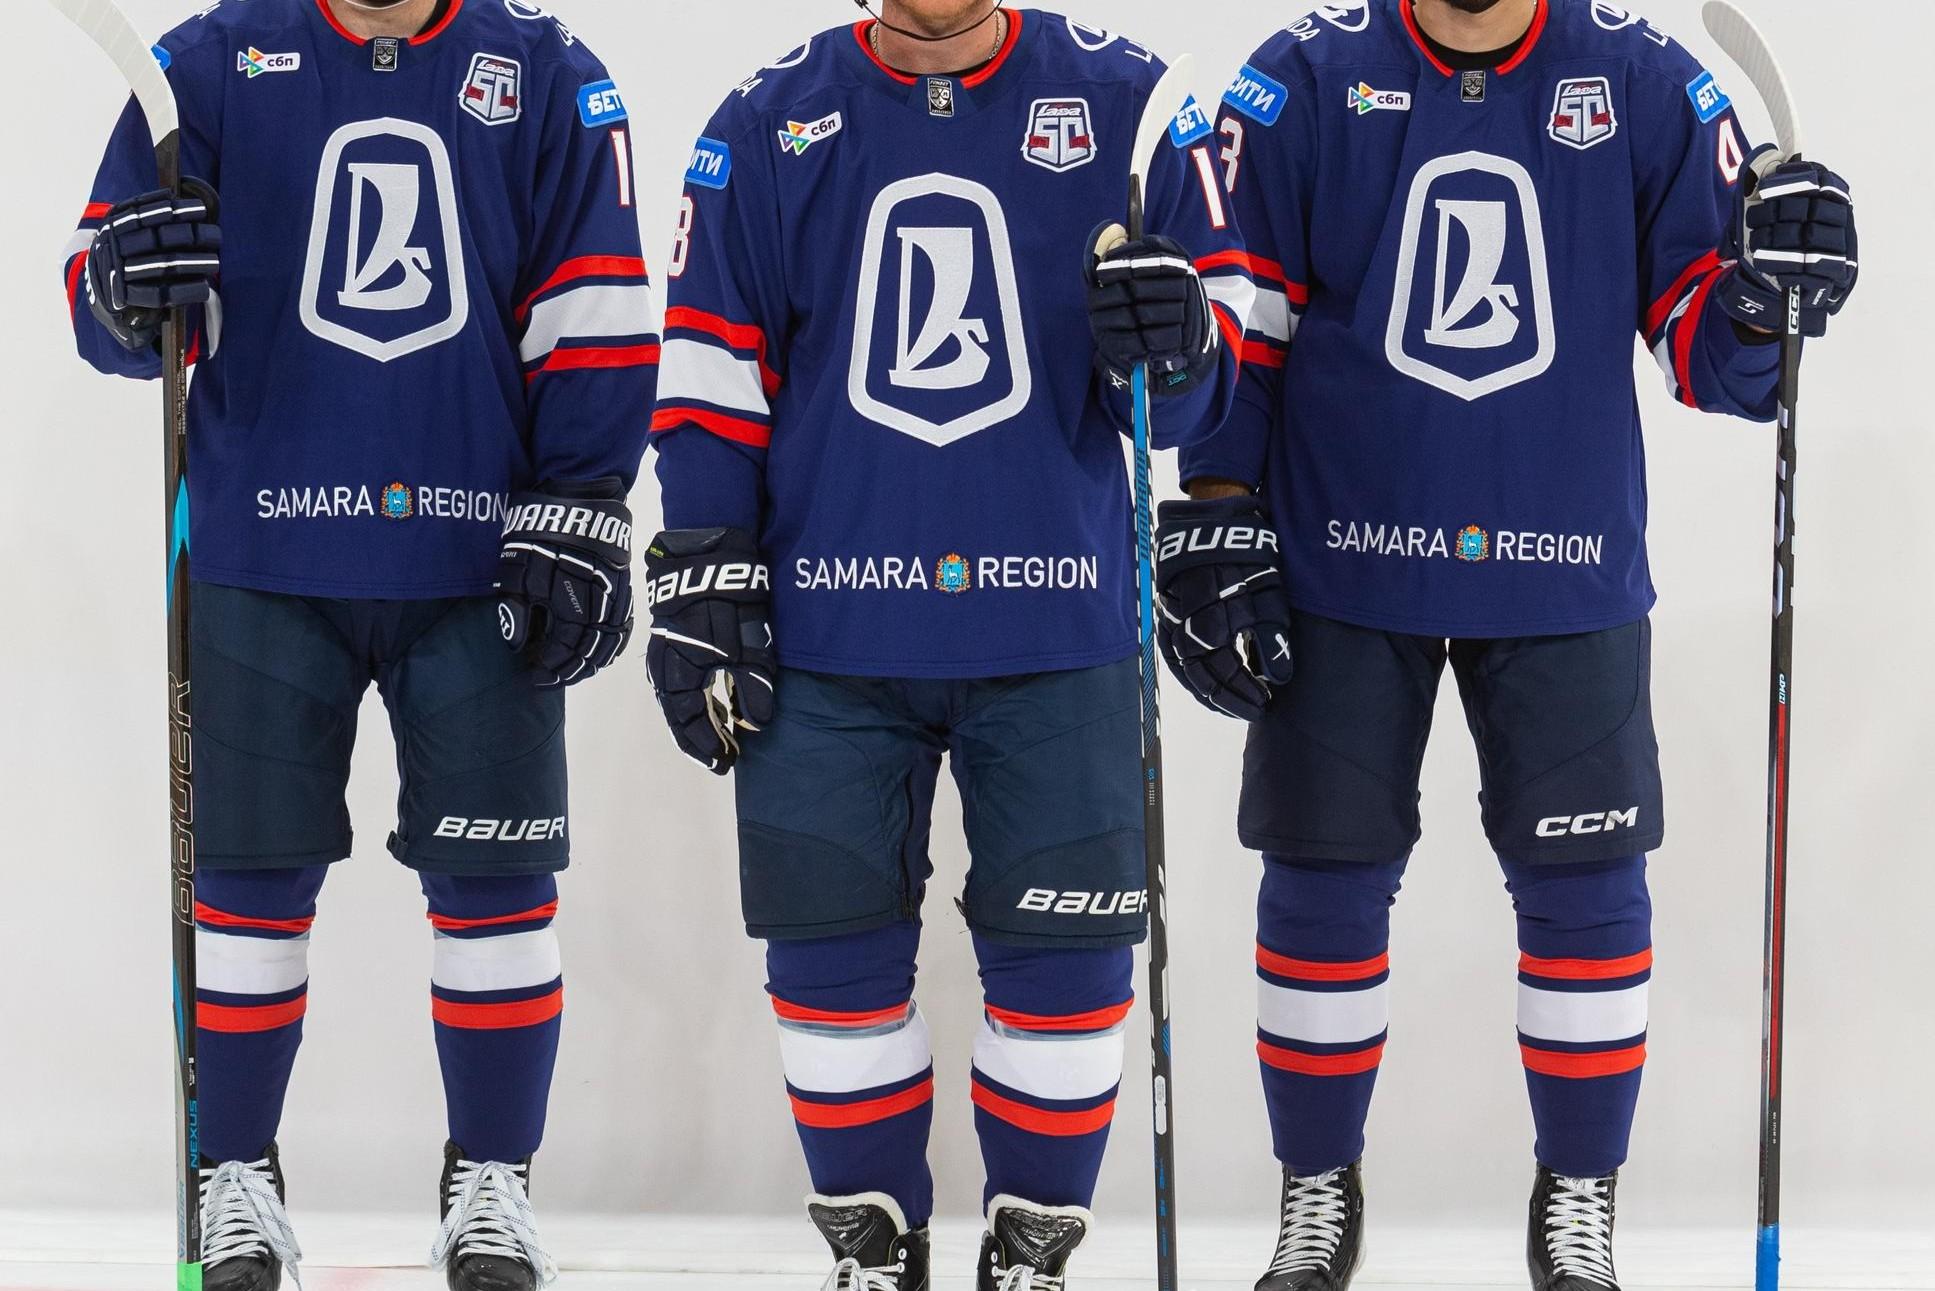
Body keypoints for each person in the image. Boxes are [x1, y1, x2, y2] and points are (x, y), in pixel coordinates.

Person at [1152, 1, 1856, 1288]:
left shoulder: (1644, 79)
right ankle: (1318, 1192)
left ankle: (1578, 1198)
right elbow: (1238, 323)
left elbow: (1714, 355)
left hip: (1567, 560)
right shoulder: (1301, 78)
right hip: (1342, 557)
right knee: (1320, 879)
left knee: (1588, 889)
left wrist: (1768, 294)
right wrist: (1215, 504)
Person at [644, 2, 1252, 1287]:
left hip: (1059, 623)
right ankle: (874, 1243)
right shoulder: (764, 122)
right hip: (829, 629)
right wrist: (703, 559)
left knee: (1068, 969)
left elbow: (1206, 384)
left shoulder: (1135, 106)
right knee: (828, 957)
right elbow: (710, 370)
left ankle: (1032, 1248)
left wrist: (1178, 341)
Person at [63, 0, 656, 1286]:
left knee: (498, 889)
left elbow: (596, 302)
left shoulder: (547, 70)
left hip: (479, 557)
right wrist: (121, 285)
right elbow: (95, 280)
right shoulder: (205, 62)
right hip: (259, 553)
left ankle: (491, 1178)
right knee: (243, 891)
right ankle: (233, 1171)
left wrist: (583, 495)